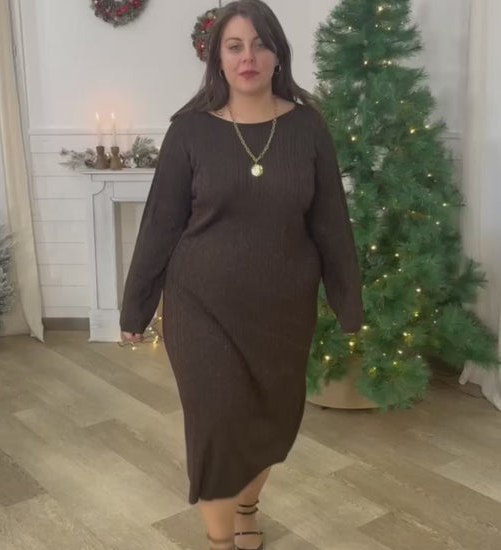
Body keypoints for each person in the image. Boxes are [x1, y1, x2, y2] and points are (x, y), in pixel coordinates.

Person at [120, 1, 364, 548]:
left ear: (278, 55)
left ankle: (248, 508)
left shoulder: (307, 127)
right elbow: (160, 225)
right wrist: (137, 306)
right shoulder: (189, 132)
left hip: (283, 314)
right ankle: (220, 542)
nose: (247, 56)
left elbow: (330, 223)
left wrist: (348, 302)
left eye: (259, 44)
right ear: (218, 59)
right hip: (201, 308)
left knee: (271, 423)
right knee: (218, 427)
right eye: (234, 46)